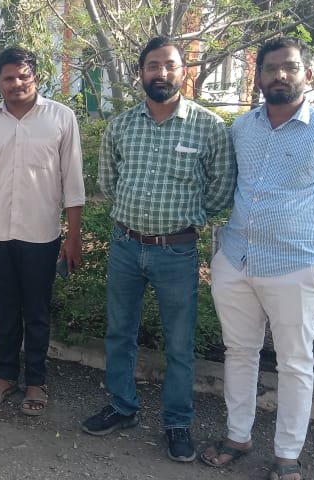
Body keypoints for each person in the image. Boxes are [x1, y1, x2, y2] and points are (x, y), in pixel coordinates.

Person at [201, 37, 314, 480]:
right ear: (258, 76)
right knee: (239, 352)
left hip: (297, 266)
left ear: (307, 74)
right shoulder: (242, 128)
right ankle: (238, 436)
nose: (280, 75)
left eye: (290, 67)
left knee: (295, 361)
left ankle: (287, 455)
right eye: (271, 68)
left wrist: (299, 231)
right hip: (236, 260)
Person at [81, 36, 236, 463]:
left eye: (169, 65)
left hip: (177, 252)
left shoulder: (208, 127)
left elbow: (222, 189)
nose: (161, 73)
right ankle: (121, 406)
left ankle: (177, 422)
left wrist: (187, 218)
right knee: (119, 332)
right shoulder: (122, 125)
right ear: (141, 73)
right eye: (152, 66)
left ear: (183, 72)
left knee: (179, 344)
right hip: (126, 245)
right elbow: (109, 182)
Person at [0, 47, 85, 415]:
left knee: (36, 311)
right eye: (8, 78)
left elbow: (73, 183)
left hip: (41, 234)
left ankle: (36, 381)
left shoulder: (61, 119)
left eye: (23, 77)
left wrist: (74, 236)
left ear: (35, 77)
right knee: (4, 309)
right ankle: (5, 376)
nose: (16, 84)